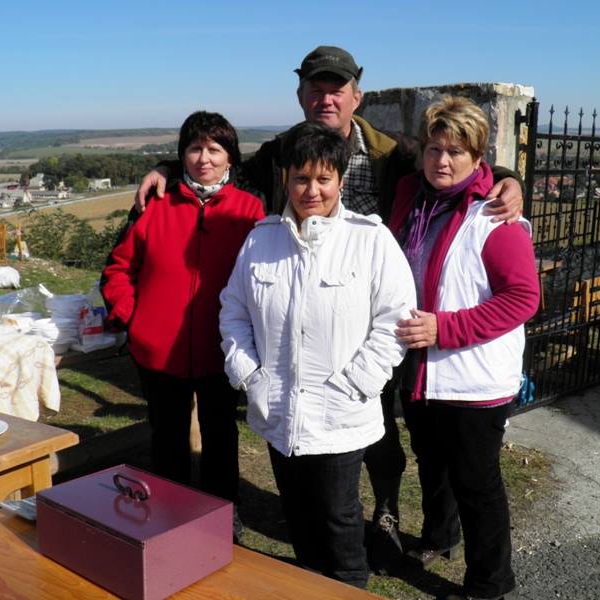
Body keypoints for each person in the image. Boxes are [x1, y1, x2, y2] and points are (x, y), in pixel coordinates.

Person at [134, 45, 525, 572]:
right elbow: (219, 164)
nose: (326, 99)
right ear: (300, 96)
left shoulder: (392, 154)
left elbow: (452, 162)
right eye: (315, 90)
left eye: (336, 90)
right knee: (358, 466)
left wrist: (508, 176)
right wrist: (166, 166)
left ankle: (387, 513)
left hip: (373, 317)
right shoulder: (283, 154)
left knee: (384, 441)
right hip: (305, 311)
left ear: (356, 96)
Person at [219, 122, 416, 588]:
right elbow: (234, 311)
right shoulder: (261, 240)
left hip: (340, 414)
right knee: (299, 516)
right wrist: (250, 375)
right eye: (301, 178)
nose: (312, 190)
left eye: (323, 179)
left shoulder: (369, 240)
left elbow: (395, 321)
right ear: (286, 179)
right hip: (278, 411)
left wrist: (356, 385)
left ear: (341, 181)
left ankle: (349, 588)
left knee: (338, 519)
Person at [390, 96, 540, 600]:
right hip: (420, 369)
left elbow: (523, 298)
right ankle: (439, 536)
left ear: (478, 158)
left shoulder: (495, 216)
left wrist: (445, 329)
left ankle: (488, 585)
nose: (442, 161)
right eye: (434, 148)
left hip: (472, 377)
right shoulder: (411, 198)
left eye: (456, 151)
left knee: (477, 484)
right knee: (432, 465)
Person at [100, 112, 265, 541]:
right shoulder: (154, 205)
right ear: (182, 155)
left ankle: (222, 511)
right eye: (195, 148)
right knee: (168, 437)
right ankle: (169, 512)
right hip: (158, 351)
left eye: (215, 149)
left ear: (230, 157)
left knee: (221, 435)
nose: (204, 158)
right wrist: (133, 319)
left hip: (222, 348)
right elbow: (118, 268)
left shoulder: (251, 210)